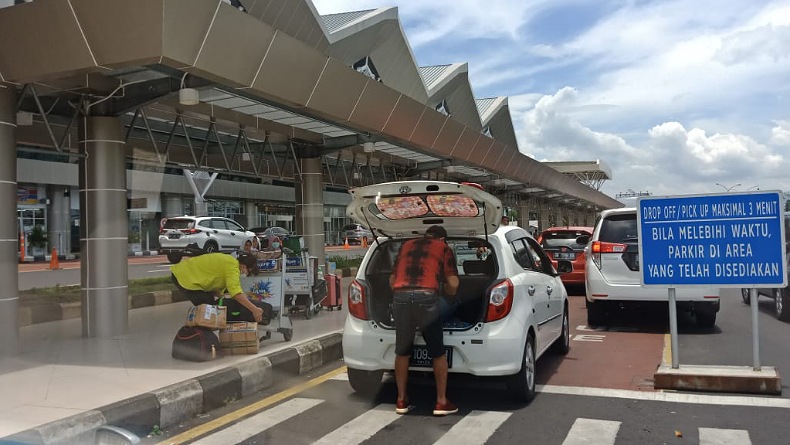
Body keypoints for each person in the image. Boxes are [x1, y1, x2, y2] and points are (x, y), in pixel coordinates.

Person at [389, 225, 459, 416]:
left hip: (401, 298)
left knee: (402, 351)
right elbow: (453, 284)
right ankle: (441, 402)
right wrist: (449, 295)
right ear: (442, 239)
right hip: (427, 299)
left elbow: (392, 279)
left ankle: (401, 400)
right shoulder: (443, 248)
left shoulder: (406, 245)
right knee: (437, 352)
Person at [171, 252, 264, 323]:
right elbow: (236, 293)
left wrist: (222, 299)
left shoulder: (229, 261)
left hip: (186, 274)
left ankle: (203, 334)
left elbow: (214, 283)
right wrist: (254, 309)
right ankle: (199, 338)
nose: (245, 274)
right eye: (248, 272)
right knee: (209, 311)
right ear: (244, 266)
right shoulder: (233, 267)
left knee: (212, 308)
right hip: (184, 277)